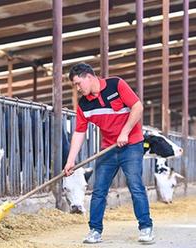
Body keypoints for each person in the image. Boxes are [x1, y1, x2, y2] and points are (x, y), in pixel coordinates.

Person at [63, 62, 154, 244]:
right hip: (108, 149)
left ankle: (145, 227)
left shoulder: (116, 85)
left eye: (78, 84)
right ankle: (95, 230)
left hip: (131, 144)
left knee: (135, 185)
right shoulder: (84, 105)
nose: (78, 89)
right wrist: (70, 161)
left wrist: (125, 132)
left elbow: (137, 107)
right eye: (75, 86)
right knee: (99, 190)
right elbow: (80, 132)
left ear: (89, 77)